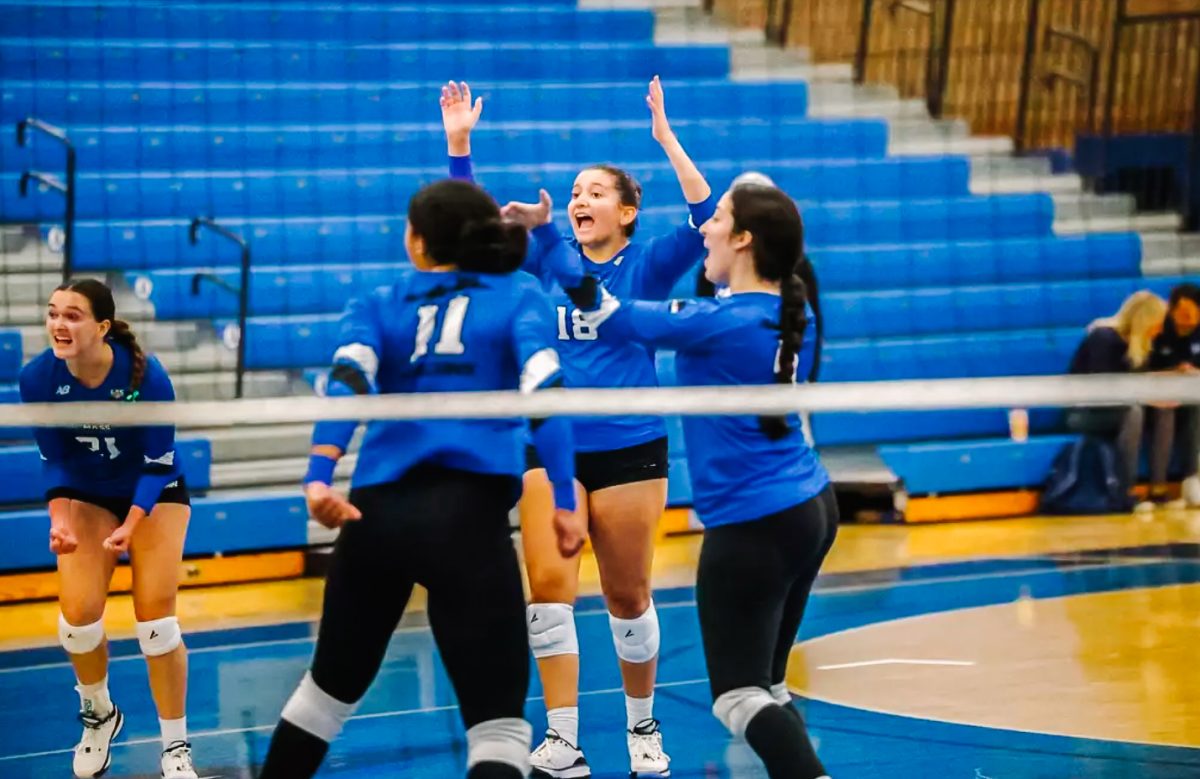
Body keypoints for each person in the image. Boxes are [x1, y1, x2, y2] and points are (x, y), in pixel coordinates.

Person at [257, 179, 584, 779]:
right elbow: (546, 392)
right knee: (499, 726)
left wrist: (317, 477)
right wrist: (564, 497)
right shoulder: (518, 294)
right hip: (467, 519)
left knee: (324, 695)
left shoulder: (380, 299)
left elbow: (348, 383)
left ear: (415, 242)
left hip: (375, 516)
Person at [440, 78, 715, 778]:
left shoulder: (649, 264)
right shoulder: (542, 253)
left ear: (626, 210)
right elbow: (466, 232)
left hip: (630, 445)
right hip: (549, 447)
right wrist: (461, 147)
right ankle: (563, 738)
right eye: (574, 192)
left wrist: (664, 137)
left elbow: (706, 212)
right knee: (548, 588)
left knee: (628, 593)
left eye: (596, 191)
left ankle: (642, 727)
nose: (579, 200)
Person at [567, 184, 836, 779]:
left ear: (744, 240)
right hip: (811, 505)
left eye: (715, 220)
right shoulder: (791, 311)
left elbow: (606, 313)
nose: (703, 230)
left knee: (737, 697)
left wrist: (550, 246)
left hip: (754, 520)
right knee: (768, 684)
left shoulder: (721, 321)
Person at [18, 279, 196, 779]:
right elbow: (53, 460)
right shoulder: (36, 379)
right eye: (53, 313)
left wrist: (132, 524)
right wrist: (59, 522)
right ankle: (100, 715)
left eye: (72, 316)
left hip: (154, 492)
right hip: (88, 492)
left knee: (157, 626)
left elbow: (159, 462)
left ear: (101, 327)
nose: (58, 324)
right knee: (76, 623)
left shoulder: (146, 376)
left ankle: (175, 748)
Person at [1067, 290, 1168, 510]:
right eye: (1157, 323)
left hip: (1118, 407)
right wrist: (1145, 397)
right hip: (1084, 411)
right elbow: (1103, 389)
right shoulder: (1103, 337)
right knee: (1135, 412)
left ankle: (1159, 488)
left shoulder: (1139, 344)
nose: (1160, 330)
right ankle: (1124, 491)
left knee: (1165, 408)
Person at [1147, 283, 1200, 506]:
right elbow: (1142, 372)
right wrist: (1172, 373)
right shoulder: (1158, 331)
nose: (1187, 317)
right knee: (1165, 411)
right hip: (1156, 398)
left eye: (1193, 312)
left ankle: (1192, 480)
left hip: (1191, 396)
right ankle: (1157, 486)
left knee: (1196, 407)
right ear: (1172, 311)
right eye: (1182, 311)